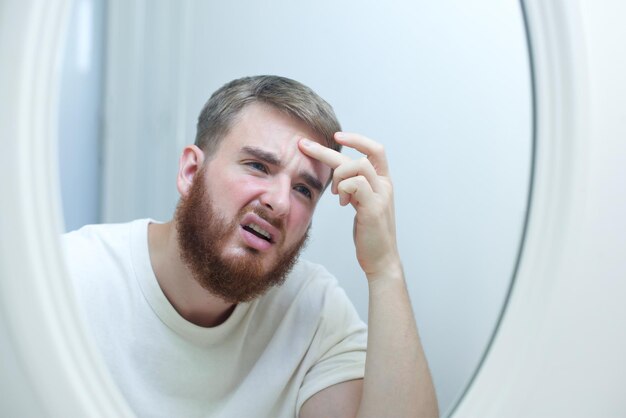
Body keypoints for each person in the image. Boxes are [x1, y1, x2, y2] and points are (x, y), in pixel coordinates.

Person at [62, 75, 439, 417]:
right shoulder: (70, 277)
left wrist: (385, 268)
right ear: (191, 172)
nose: (279, 201)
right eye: (258, 166)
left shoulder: (314, 311)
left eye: (303, 189)